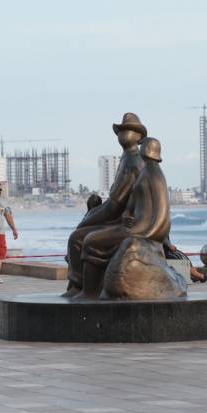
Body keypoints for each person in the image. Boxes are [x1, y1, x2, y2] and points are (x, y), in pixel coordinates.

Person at [64, 113, 146, 297]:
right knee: (80, 234)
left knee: (78, 238)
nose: (125, 133)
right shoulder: (126, 158)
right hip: (119, 218)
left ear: (139, 137)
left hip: (127, 222)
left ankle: (85, 288)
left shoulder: (134, 160)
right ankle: (79, 287)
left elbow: (114, 205)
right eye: (122, 130)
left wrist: (86, 221)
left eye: (130, 130)